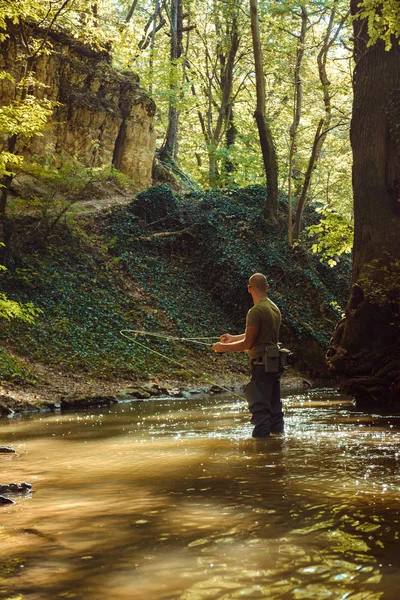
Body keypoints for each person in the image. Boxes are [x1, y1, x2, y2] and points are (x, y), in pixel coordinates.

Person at [212, 273, 284, 438]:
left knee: (260, 412)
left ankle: (261, 452)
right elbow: (256, 336)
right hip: (274, 364)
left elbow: (248, 344)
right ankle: (278, 447)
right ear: (267, 288)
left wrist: (223, 347)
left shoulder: (255, 311)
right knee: (275, 409)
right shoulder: (274, 308)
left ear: (249, 289)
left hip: (261, 366)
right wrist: (232, 338)